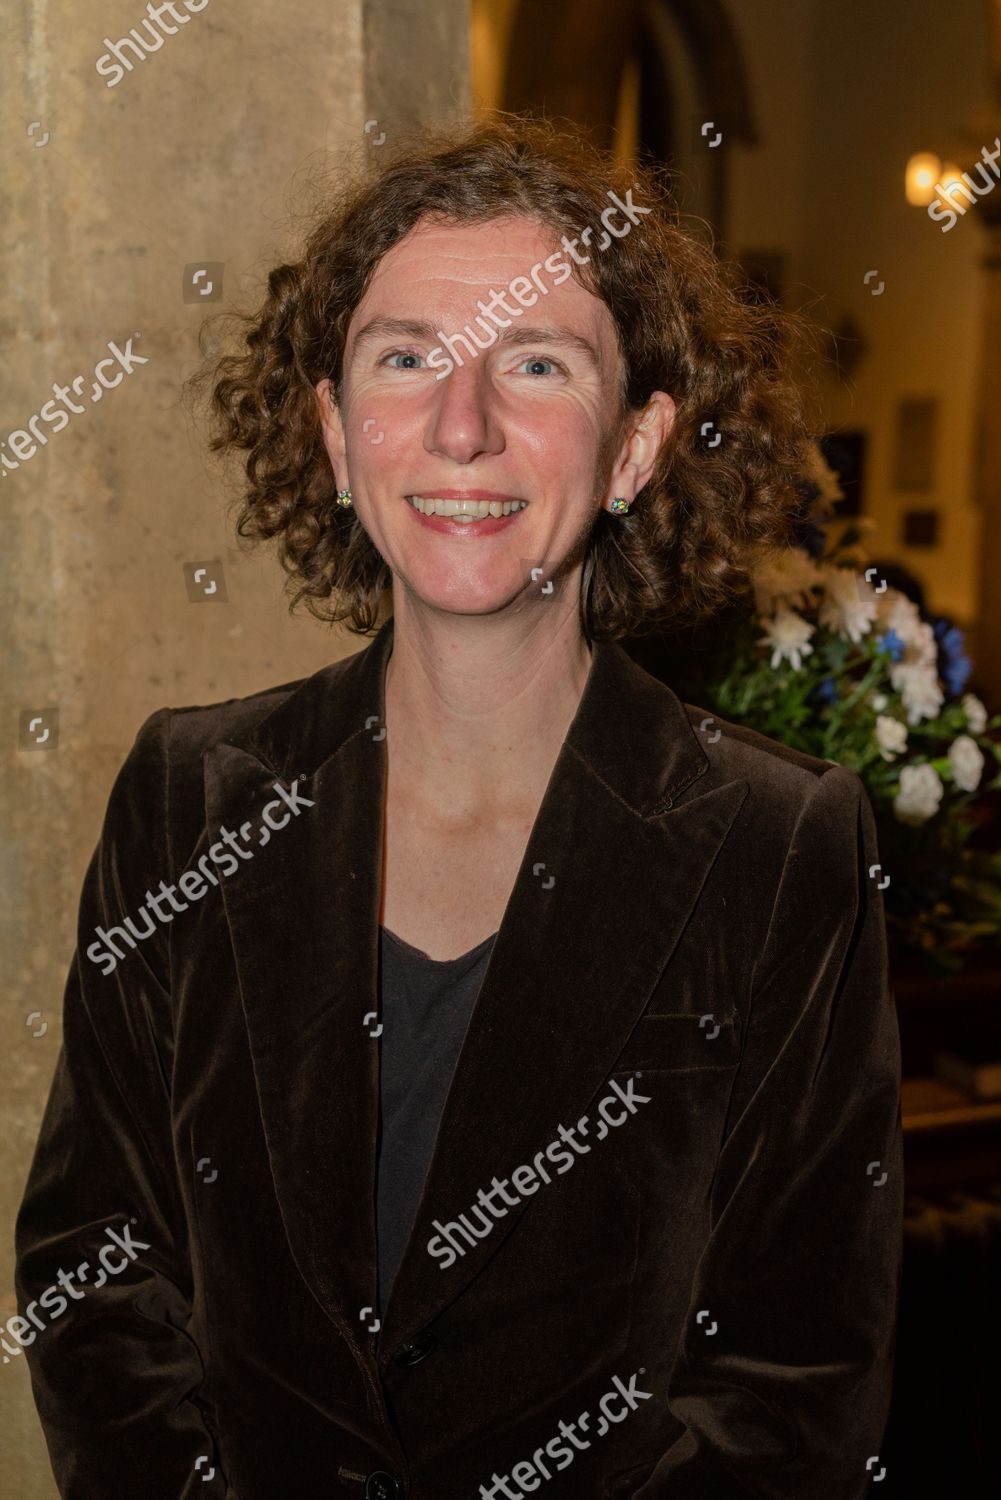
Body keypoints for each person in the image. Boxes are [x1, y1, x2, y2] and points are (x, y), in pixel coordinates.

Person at [15, 116, 903, 1499]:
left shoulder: (777, 842)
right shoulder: (190, 800)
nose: (462, 425)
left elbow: (792, 1386)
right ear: (331, 433)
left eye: (534, 365)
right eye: (406, 358)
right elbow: (94, 1273)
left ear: (632, 448)